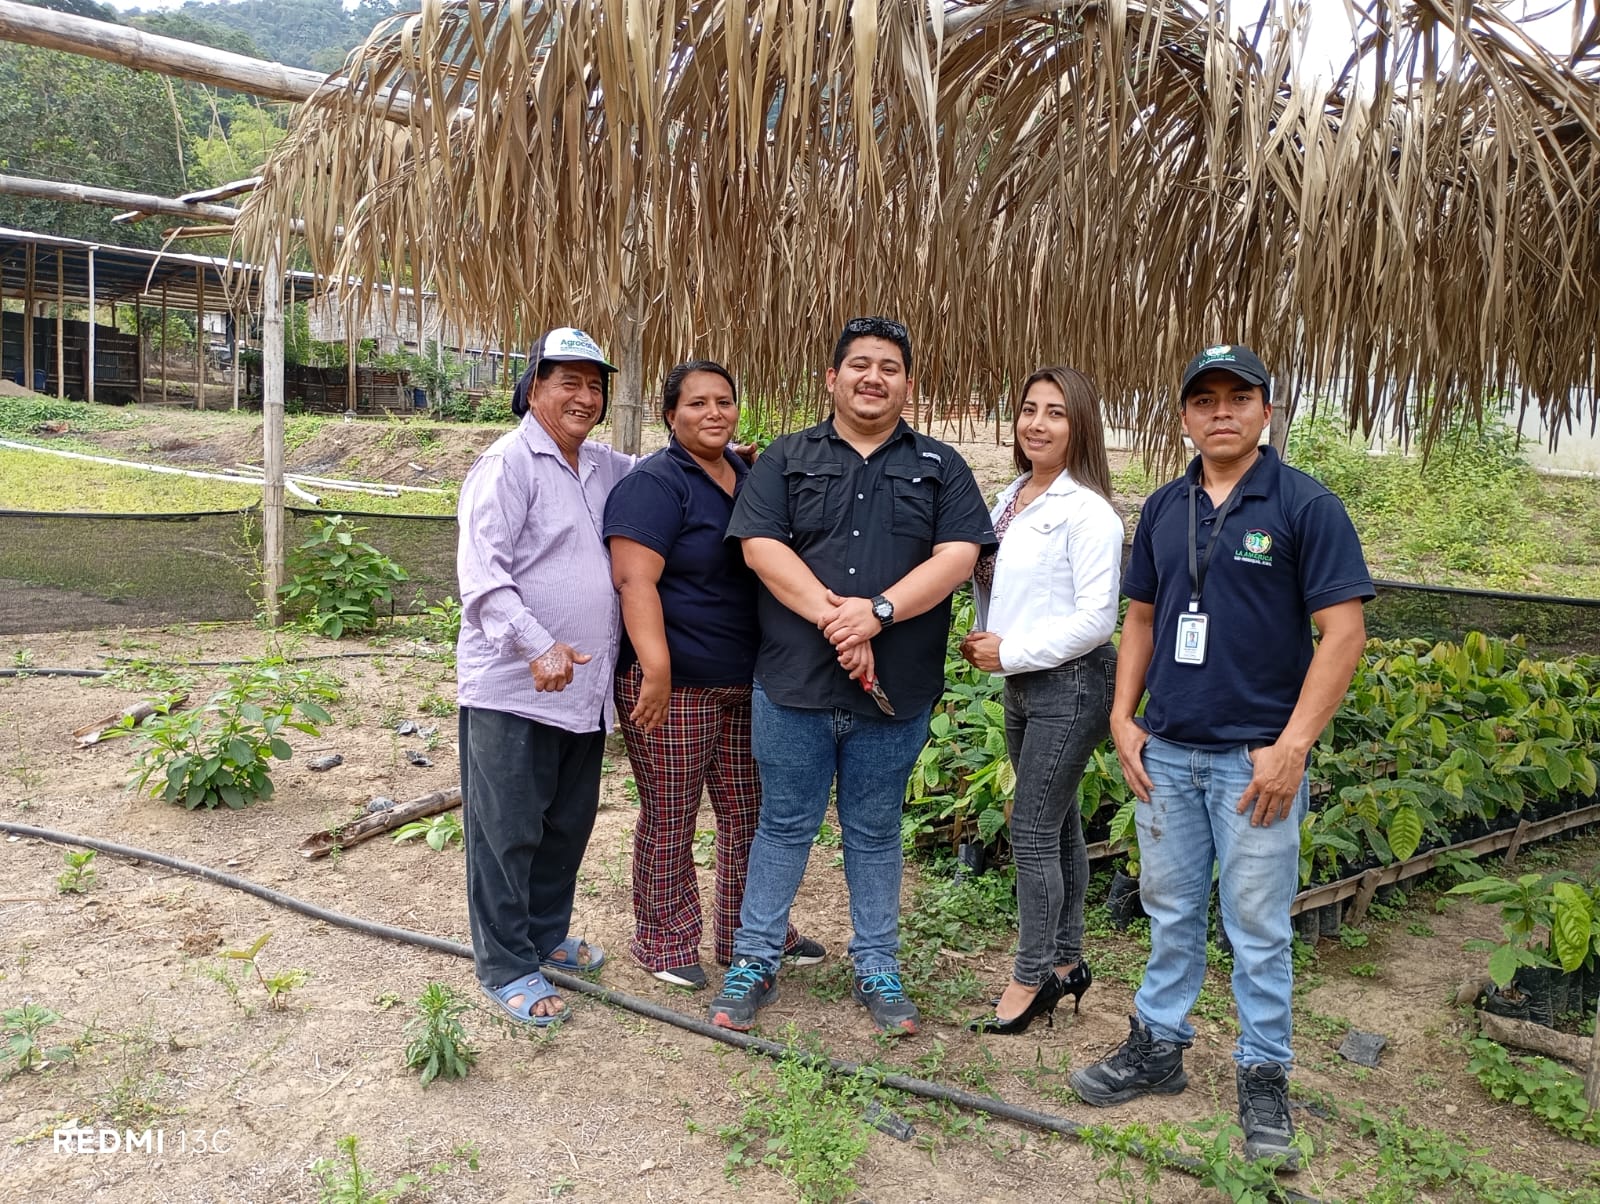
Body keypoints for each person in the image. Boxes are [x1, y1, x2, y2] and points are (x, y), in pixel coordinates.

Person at [1068, 344, 1372, 1170]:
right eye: (1205, 400)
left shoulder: (1306, 506)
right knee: (1169, 911)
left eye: (1240, 397)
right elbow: (1140, 617)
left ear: (1267, 410)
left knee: (1259, 929)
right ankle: (1158, 1047)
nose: (1222, 412)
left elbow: (1344, 633)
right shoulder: (1165, 507)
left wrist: (1293, 747)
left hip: (1254, 764)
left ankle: (1263, 1075)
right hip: (1166, 753)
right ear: (1184, 417)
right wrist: (1122, 718)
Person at [707, 316, 996, 1036]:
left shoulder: (941, 466)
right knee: (783, 824)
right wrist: (843, 621)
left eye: (889, 367)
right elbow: (761, 547)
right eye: (860, 364)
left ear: (908, 384)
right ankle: (754, 961)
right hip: (794, 684)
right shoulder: (786, 458)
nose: (874, 377)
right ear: (832, 378)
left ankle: (877, 965)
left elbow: (959, 555)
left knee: (874, 830)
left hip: (895, 692)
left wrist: (880, 614)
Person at [603, 360, 824, 990]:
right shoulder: (655, 484)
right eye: (697, 403)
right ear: (669, 414)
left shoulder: (745, 474)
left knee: (750, 812)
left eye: (724, 401)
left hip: (746, 681)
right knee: (672, 812)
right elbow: (634, 581)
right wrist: (655, 669)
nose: (714, 413)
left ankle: (746, 932)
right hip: (673, 685)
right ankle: (664, 938)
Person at [455, 327, 632, 1026]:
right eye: (569, 382)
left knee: (566, 823)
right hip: (516, 687)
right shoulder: (507, 464)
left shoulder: (603, 465)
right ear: (533, 389)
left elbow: (667, 469)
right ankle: (505, 965)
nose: (584, 397)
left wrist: (728, 455)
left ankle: (545, 934)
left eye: (594, 385)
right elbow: (483, 577)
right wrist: (537, 644)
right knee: (506, 831)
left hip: (582, 692)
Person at [960, 366, 1124, 1035]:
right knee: (1057, 827)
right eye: (1029, 409)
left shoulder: (1089, 511)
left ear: (1080, 424)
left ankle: (1030, 978)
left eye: (1055, 412)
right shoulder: (1012, 496)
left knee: (1029, 831)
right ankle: (1067, 962)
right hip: (1026, 682)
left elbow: (1097, 619)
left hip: (1071, 682)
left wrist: (1012, 650)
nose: (1037, 423)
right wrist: (990, 639)